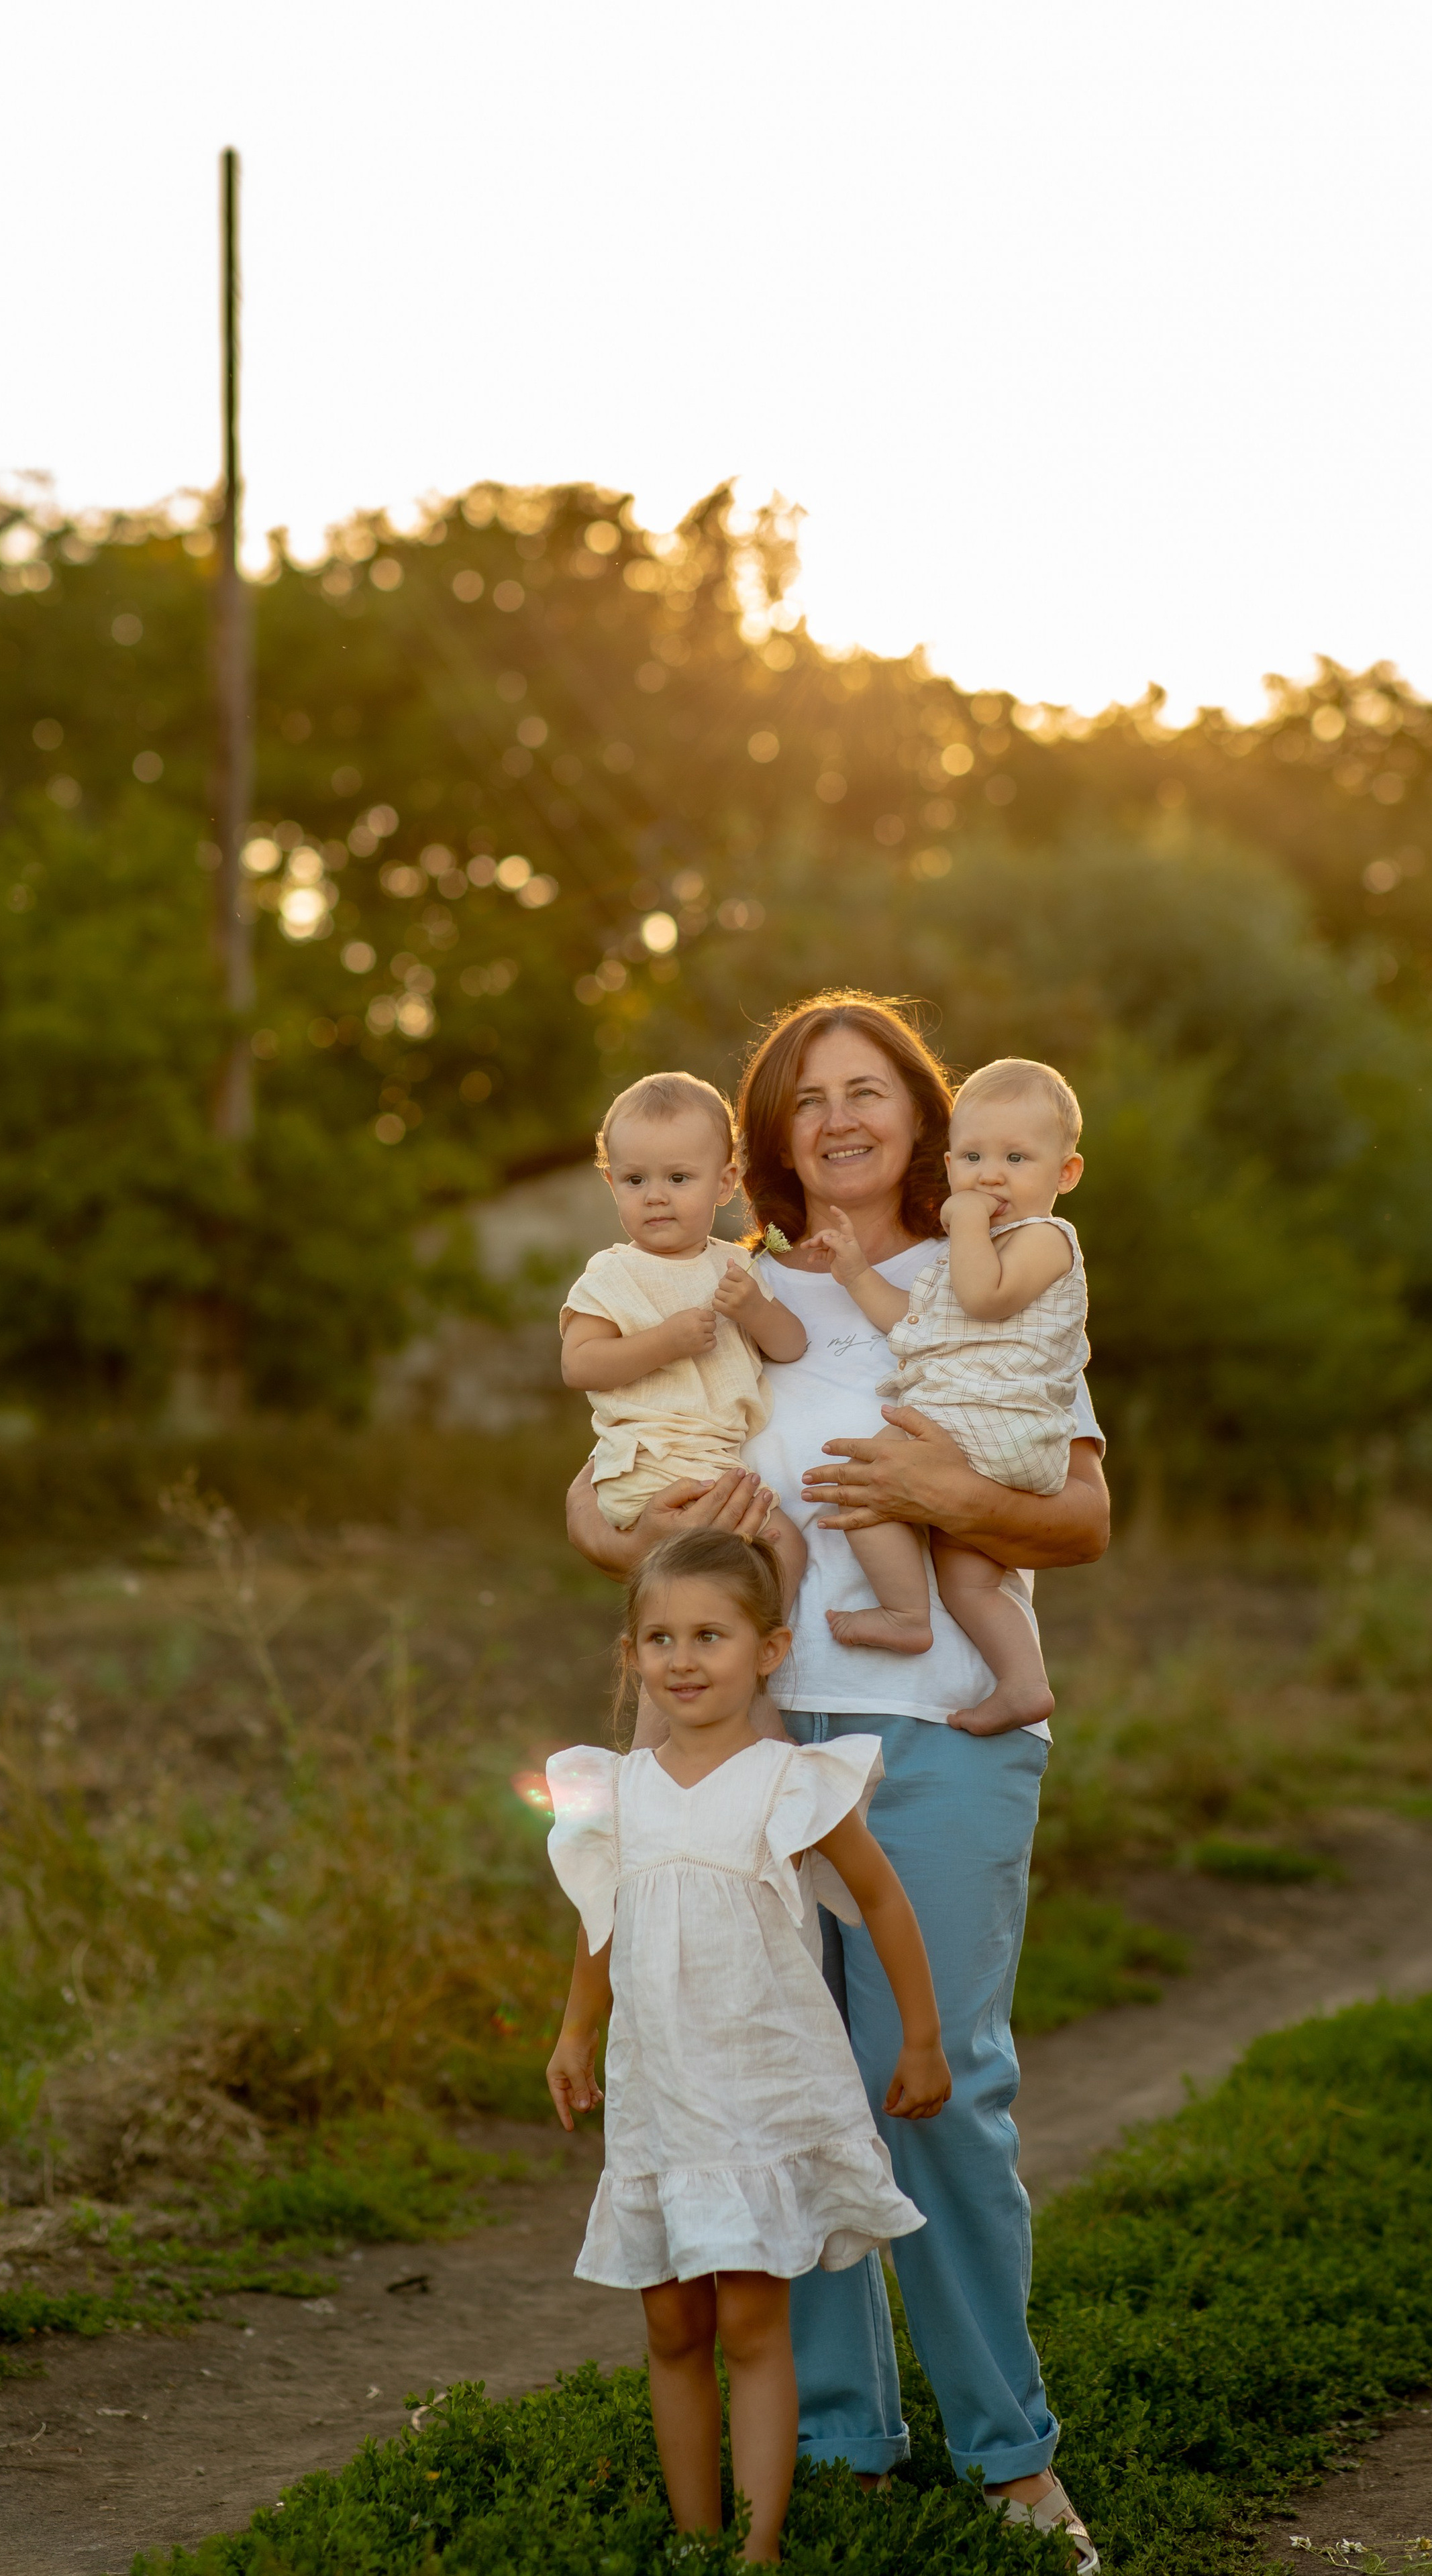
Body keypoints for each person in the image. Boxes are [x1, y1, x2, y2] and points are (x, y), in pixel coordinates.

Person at [566, 992, 1107, 2572]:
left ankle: (1010, 2454)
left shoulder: (992, 1259)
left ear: (924, 1115)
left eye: (869, 1090)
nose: (841, 1118)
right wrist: (670, 1520)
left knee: (931, 2093)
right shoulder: (722, 1283)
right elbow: (602, 1507)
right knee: (765, 2093)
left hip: (935, 1731)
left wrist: (934, 1485)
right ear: (767, 1136)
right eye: (809, 1098)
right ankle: (836, 2441)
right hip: (748, 1741)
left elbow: (1075, 1514)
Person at [544, 1527, 951, 2566]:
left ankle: (759, 2547)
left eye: (710, 1636)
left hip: (759, 2098)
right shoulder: (615, 1791)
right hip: (661, 2096)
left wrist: (922, 2038)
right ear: (632, 1655)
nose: (683, 1659)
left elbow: (883, 1900)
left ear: (768, 1651)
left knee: (751, 2328)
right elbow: (603, 1919)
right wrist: (575, 2029)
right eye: (660, 1638)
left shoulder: (790, 1783)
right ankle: (695, 2539)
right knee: (672, 2331)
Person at [807, 1055, 1088, 1734]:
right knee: (970, 1577)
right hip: (989, 1440)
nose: (990, 1175)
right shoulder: (963, 1257)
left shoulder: (1047, 1240)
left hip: (992, 1424)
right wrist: (853, 1274)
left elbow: (983, 1298)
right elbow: (913, 1323)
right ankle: (1023, 1684)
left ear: (1066, 1174)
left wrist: (963, 1223)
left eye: (1016, 1157)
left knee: (868, 1478)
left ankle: (905, 1617)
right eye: (971, 1156)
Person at [560, 1071, 809, 1597]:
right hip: (653, 1464)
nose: (655, 1197)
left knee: (780, 1551)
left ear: (724, 1183)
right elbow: (578, 1364)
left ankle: (759, 1648)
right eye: (635, 1181)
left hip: (718, 1465)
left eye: (678, 1179)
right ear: (612, 1184)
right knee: (739, 1562)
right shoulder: (613, 1274)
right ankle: (747, 1654)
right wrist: (664, 1343)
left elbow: (791, 1347)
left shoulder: (737, 1265)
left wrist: (756, 1312)